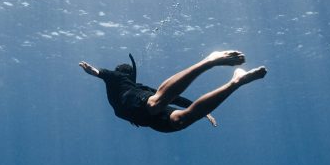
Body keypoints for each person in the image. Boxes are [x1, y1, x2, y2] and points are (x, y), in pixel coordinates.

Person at [79, 50, 267, 133]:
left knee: (154, 104)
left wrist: (93, 71)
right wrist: (205, 113)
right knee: (180, 119)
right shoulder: (140, 87)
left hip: (140, 108)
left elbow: (103, 73)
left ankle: (209, 61)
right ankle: (236, 81)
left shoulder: (118, 77)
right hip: (146, 117)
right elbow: (177, 98)